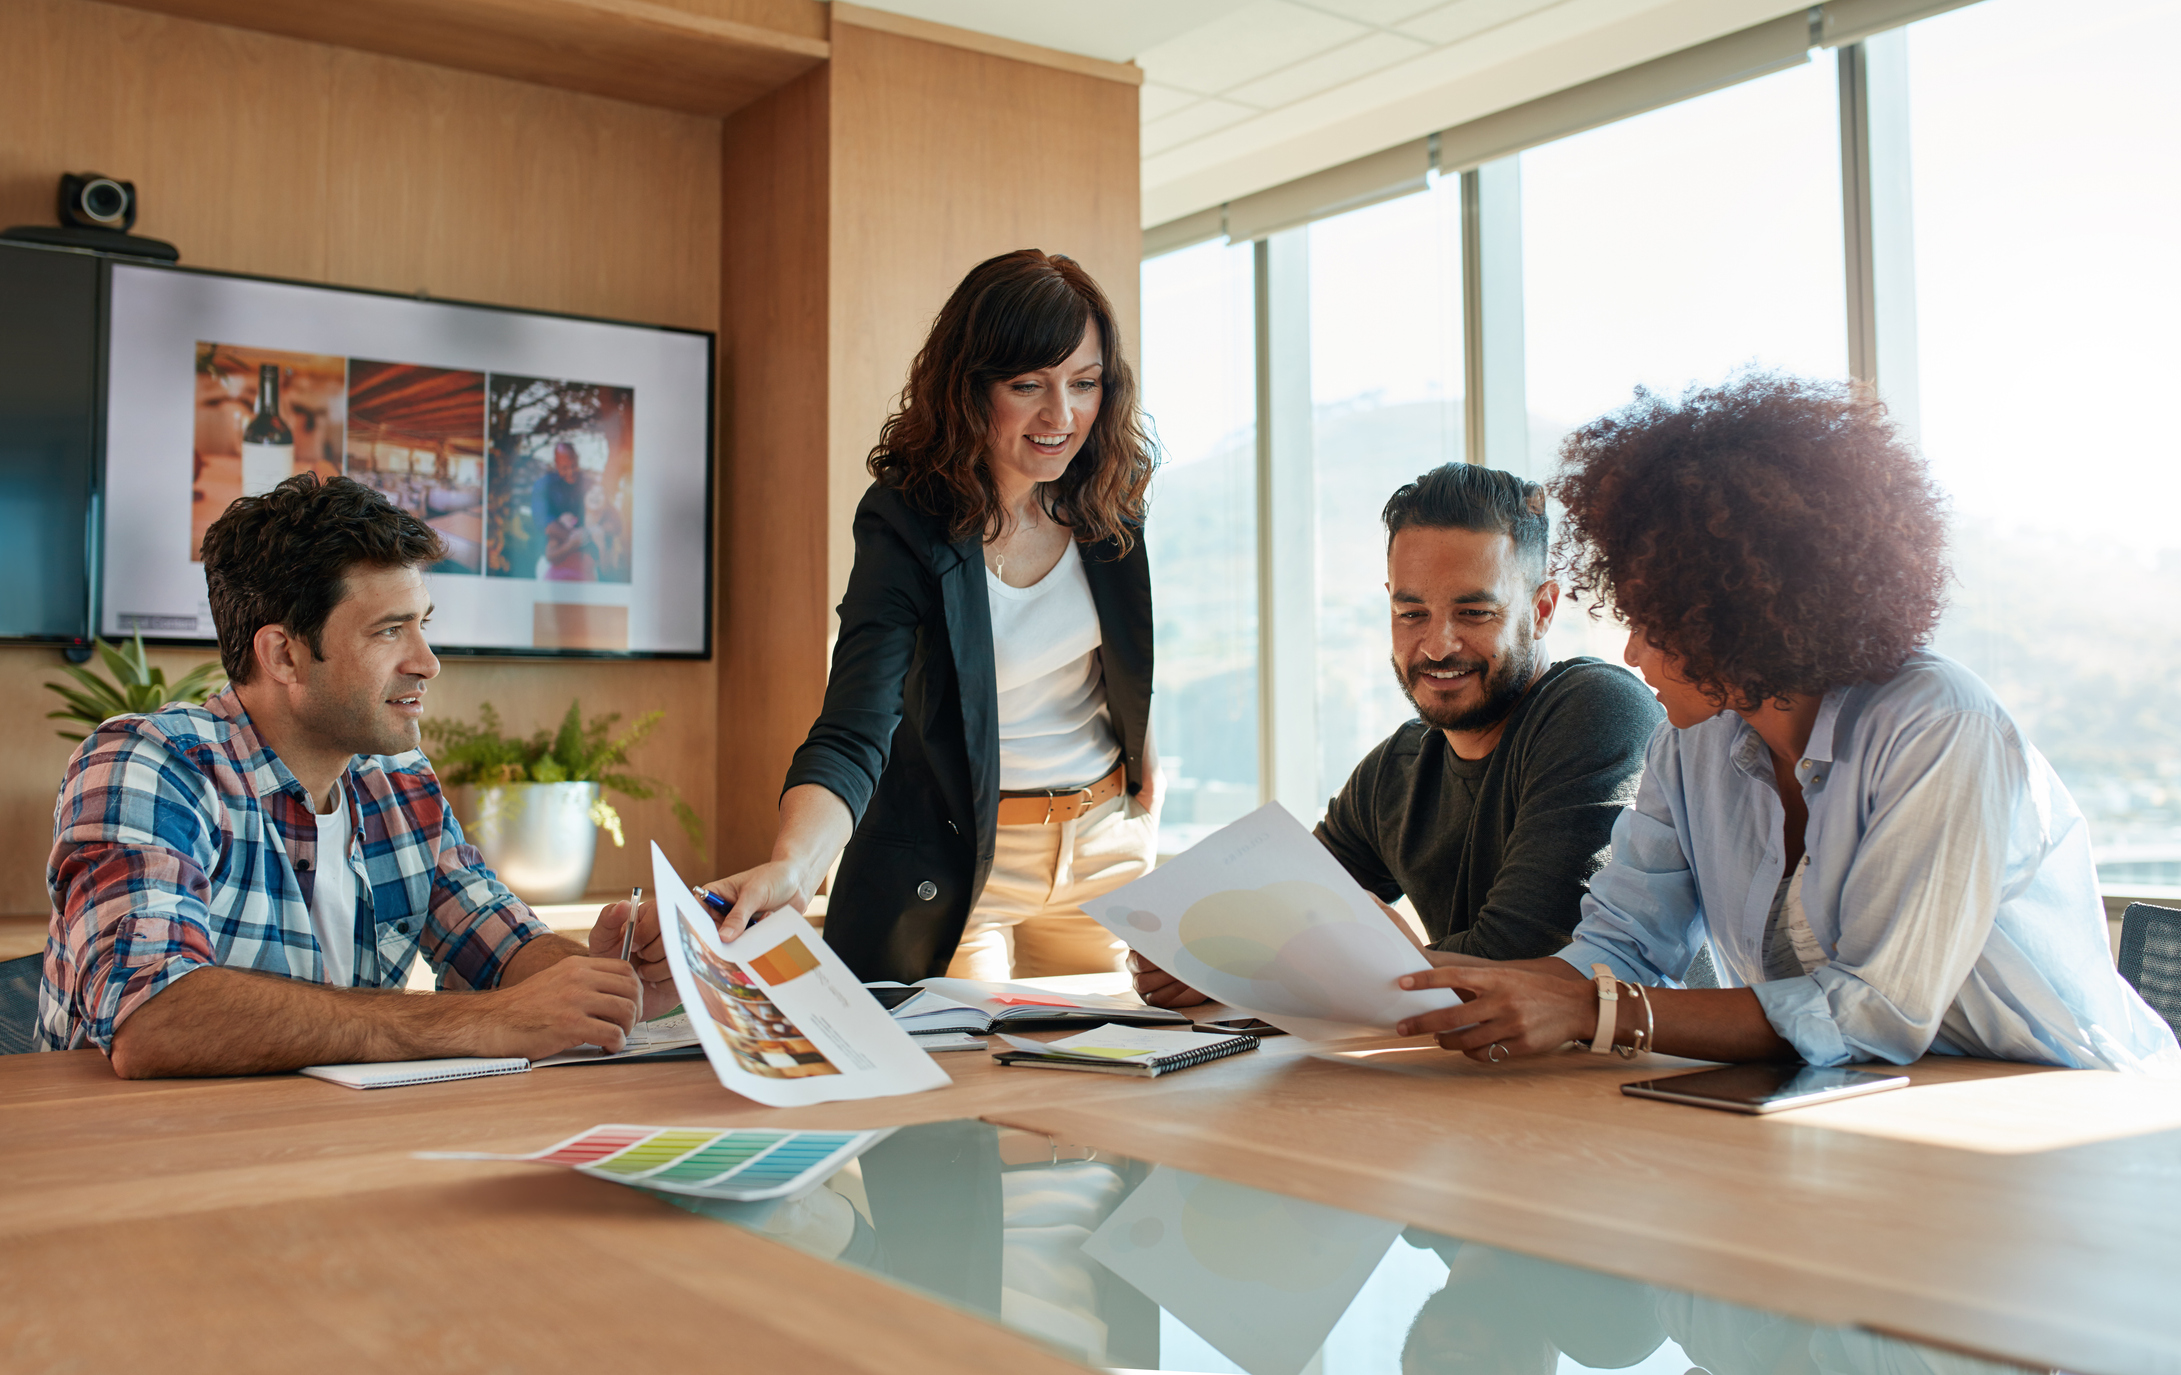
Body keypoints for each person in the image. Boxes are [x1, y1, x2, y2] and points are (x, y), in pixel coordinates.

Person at [1393, 375, 2181, 1073]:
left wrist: (1601, 1014)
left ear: (1738, 615)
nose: (1630, 651)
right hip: (1863, 1106)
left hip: (2077, 1112)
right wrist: (1434, 981)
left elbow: (1876, 1010)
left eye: (1652, 620)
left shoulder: (1940, 727)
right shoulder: (1687, 745)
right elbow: (1620, 944)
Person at [36, 474, 660, 1076]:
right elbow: (154, 1019)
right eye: (389, 631)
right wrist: (481, 1021)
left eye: (423, 625)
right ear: (284, 654)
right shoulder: (150, 765)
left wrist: (612, 980)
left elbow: (498, 940)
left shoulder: (399, 779)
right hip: (139, 1163)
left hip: (332, 1147)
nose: (428, 663)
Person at [705, 250, 1159, 984]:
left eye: (1084, 383)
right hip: (960, 860)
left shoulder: (1110, 491)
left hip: (1105, 848)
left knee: (1113, 1079)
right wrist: (796, 863)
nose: (1062, 415)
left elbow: (1119, 650)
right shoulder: (906, 520)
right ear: (969, 387)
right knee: (956, 1077)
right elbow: (855, 723)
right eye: (1027, 386)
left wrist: (1147, 767)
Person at [1132, 464, 1663, 1008]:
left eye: (1474, 612)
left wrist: (1329, 958)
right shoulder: (1397, 769)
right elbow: (1275, 917)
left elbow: (1518, 963)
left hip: (1634, 1075)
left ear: (1542, 609)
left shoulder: (1598, 710)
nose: (1436, 646)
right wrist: (1196, 961)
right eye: (1411, 613)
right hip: (1486, 1078)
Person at [532, 440, 598, 580]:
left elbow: (610, 518)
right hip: (551, 561)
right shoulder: (543, 486)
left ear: (578, 459)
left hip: (585, 561)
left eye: (574, 465)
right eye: (564, 467)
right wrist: (579, 540)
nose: (570, 471)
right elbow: (545, 524)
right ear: (556, 465)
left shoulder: (588, 484)